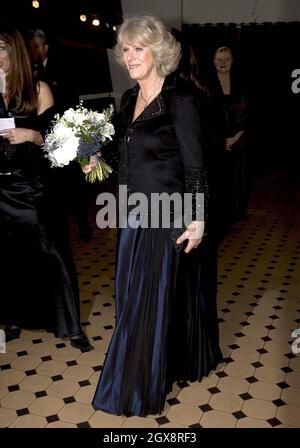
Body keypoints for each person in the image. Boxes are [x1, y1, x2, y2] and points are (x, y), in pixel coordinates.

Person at [84, 14, 222, 417]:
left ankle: (133, 389)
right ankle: (167, 364)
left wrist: (197, 219)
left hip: (167, 215)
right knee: (136, 295)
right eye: (125, 49)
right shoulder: (129, 99)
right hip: (132, 214)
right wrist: (95, 156)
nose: (129, 56)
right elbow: (124, 152)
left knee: (144, 303)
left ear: (158, 51)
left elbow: (197, 167)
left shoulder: (180, 99)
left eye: (138, 48)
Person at [0, 22, 92, 351]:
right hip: (1, 190)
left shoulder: (38, 90)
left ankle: (71, 324)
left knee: (52, 253)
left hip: (34, 188)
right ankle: (13, 317)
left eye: (0, 48)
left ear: (15, 52)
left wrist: (32, 135)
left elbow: (59, 142)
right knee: (9, 257)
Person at [27, 28, 93, 243]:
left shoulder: (61, 69)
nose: (33, 51)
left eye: (36, 46)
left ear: (45, 48)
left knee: (71, 185)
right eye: (31, 47)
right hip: (42, 138)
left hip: (64, 133)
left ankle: (83, 225)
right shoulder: (28, 71)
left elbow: (70, 101)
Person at [208, 46, 249, 226]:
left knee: (237, 177)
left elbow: (248, 112)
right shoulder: (206, 84)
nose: (223, 63)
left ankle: (236, 212)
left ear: (232, 61)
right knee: (218, 177)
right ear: (213, 62)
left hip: (238, 139)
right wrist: (219, 140)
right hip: (215, 140)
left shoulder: (242, 83)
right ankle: (219, 211)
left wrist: (236, 136)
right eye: (219, 59)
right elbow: (204, 114)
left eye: (227, 59)